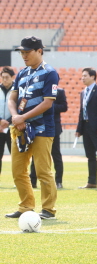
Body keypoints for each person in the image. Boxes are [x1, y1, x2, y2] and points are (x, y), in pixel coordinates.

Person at [5, 36, 59, 220]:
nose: (24, 55)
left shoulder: (50, 72)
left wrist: (22, 117)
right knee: (18, 170)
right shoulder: (21, 73)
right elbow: (12, 98)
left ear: (39, 51)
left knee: (43, 171)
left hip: (42, 128)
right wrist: (15, 117)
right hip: (20, 128)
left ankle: (48, 210)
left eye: (27, 52)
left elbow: (47, 104)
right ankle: (26, 206)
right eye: (22, 52)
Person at [30, 86, 67, 189]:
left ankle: (58, 181)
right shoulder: (38, 90)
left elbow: (64, 107)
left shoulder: (59, 91)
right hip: (39, 126)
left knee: (56, 155)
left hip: (54, 128)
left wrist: (48, 105)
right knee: (36, 155)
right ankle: (32, 181)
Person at [75, 68, 97, 189]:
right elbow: (81, 112)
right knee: (90, 156)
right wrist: (79, 129)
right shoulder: (83, 92)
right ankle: (92, 182)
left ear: (93, 77)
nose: (82, 78)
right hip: (86, 127)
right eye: (82, 76)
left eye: (85, 76)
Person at [0, 67, 15, 179]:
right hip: (0, 128)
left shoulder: (17, 90)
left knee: (15, 156)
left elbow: (19, 107)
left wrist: (8, 121)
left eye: (7, 77)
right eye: (2, 77)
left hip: (13, 127)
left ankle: (17, 180)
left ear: (12, 77)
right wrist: (0, 121)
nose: (4, 79)